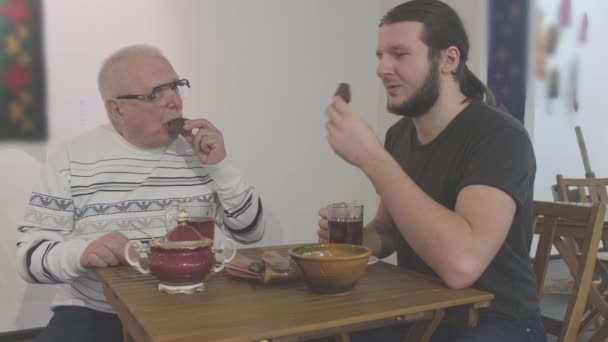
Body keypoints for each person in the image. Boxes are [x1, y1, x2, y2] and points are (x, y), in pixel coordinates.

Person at [318, 1, 545, 341]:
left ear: (449, 59)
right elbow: (390, 230)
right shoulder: (400, 135)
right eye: (380, 56)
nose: (382, 68)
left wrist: (373, 159)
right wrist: (357, 242)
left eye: (399, 54)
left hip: (496, 321)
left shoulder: (499, 137)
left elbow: (462, 265)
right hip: (423, 311)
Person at [16, 44, 265, 342]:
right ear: (116, 109)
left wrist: (221, 167)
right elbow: (29, 258)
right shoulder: (72, 158)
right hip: (98, 310)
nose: (174, 101)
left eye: (176, 86)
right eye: (157, 93)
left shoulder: (199, 151)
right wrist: (82, 252)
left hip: (195, 303)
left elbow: (251, 232)